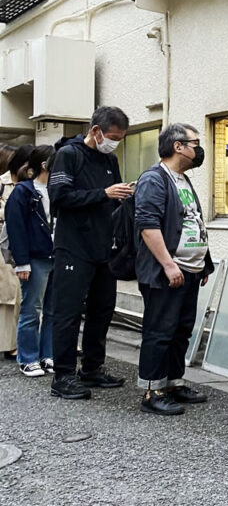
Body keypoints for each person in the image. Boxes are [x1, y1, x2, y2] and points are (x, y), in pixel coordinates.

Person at [48, 106, 134, 400]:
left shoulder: (109, 159)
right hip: (73, 247)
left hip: (103, 248)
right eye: (111, 136)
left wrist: (124, 194)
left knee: (102, 310)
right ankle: (63, 376)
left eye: (120, 138)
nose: (115, 143)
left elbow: (112, 200)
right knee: (68, 312)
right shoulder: (68, 155)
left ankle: (92, 369)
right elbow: (59, 198)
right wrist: (104, 194)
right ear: (95, 131)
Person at [134, 124, 215, 415]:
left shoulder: (181, 179)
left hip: (189, 270)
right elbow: (148, 226)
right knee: (160, 331)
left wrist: (203, 263)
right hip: (167, 272)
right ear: (178, 146)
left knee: (181, 331)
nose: (199, 149)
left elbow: (192, 222)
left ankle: (173, 383)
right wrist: (169, 265)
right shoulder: (154, 179)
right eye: (195, 142)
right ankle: (151, 390)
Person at [6, 145, 55, 377]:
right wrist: (22, 262)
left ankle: (48, 354)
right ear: (45, 165)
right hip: (35, 257)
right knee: (31, 308)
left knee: (54, 310)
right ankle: (28, 357)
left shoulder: (58, 190)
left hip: (58, 256)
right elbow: (16, 229)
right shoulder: (24, 191)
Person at [0, 144, 28, 362]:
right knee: (8, 297)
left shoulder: (29, 185)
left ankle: (19, 342)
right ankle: (9, 345)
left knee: (21, 296)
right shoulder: (2, 184)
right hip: (4, 247)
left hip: (24, 245)